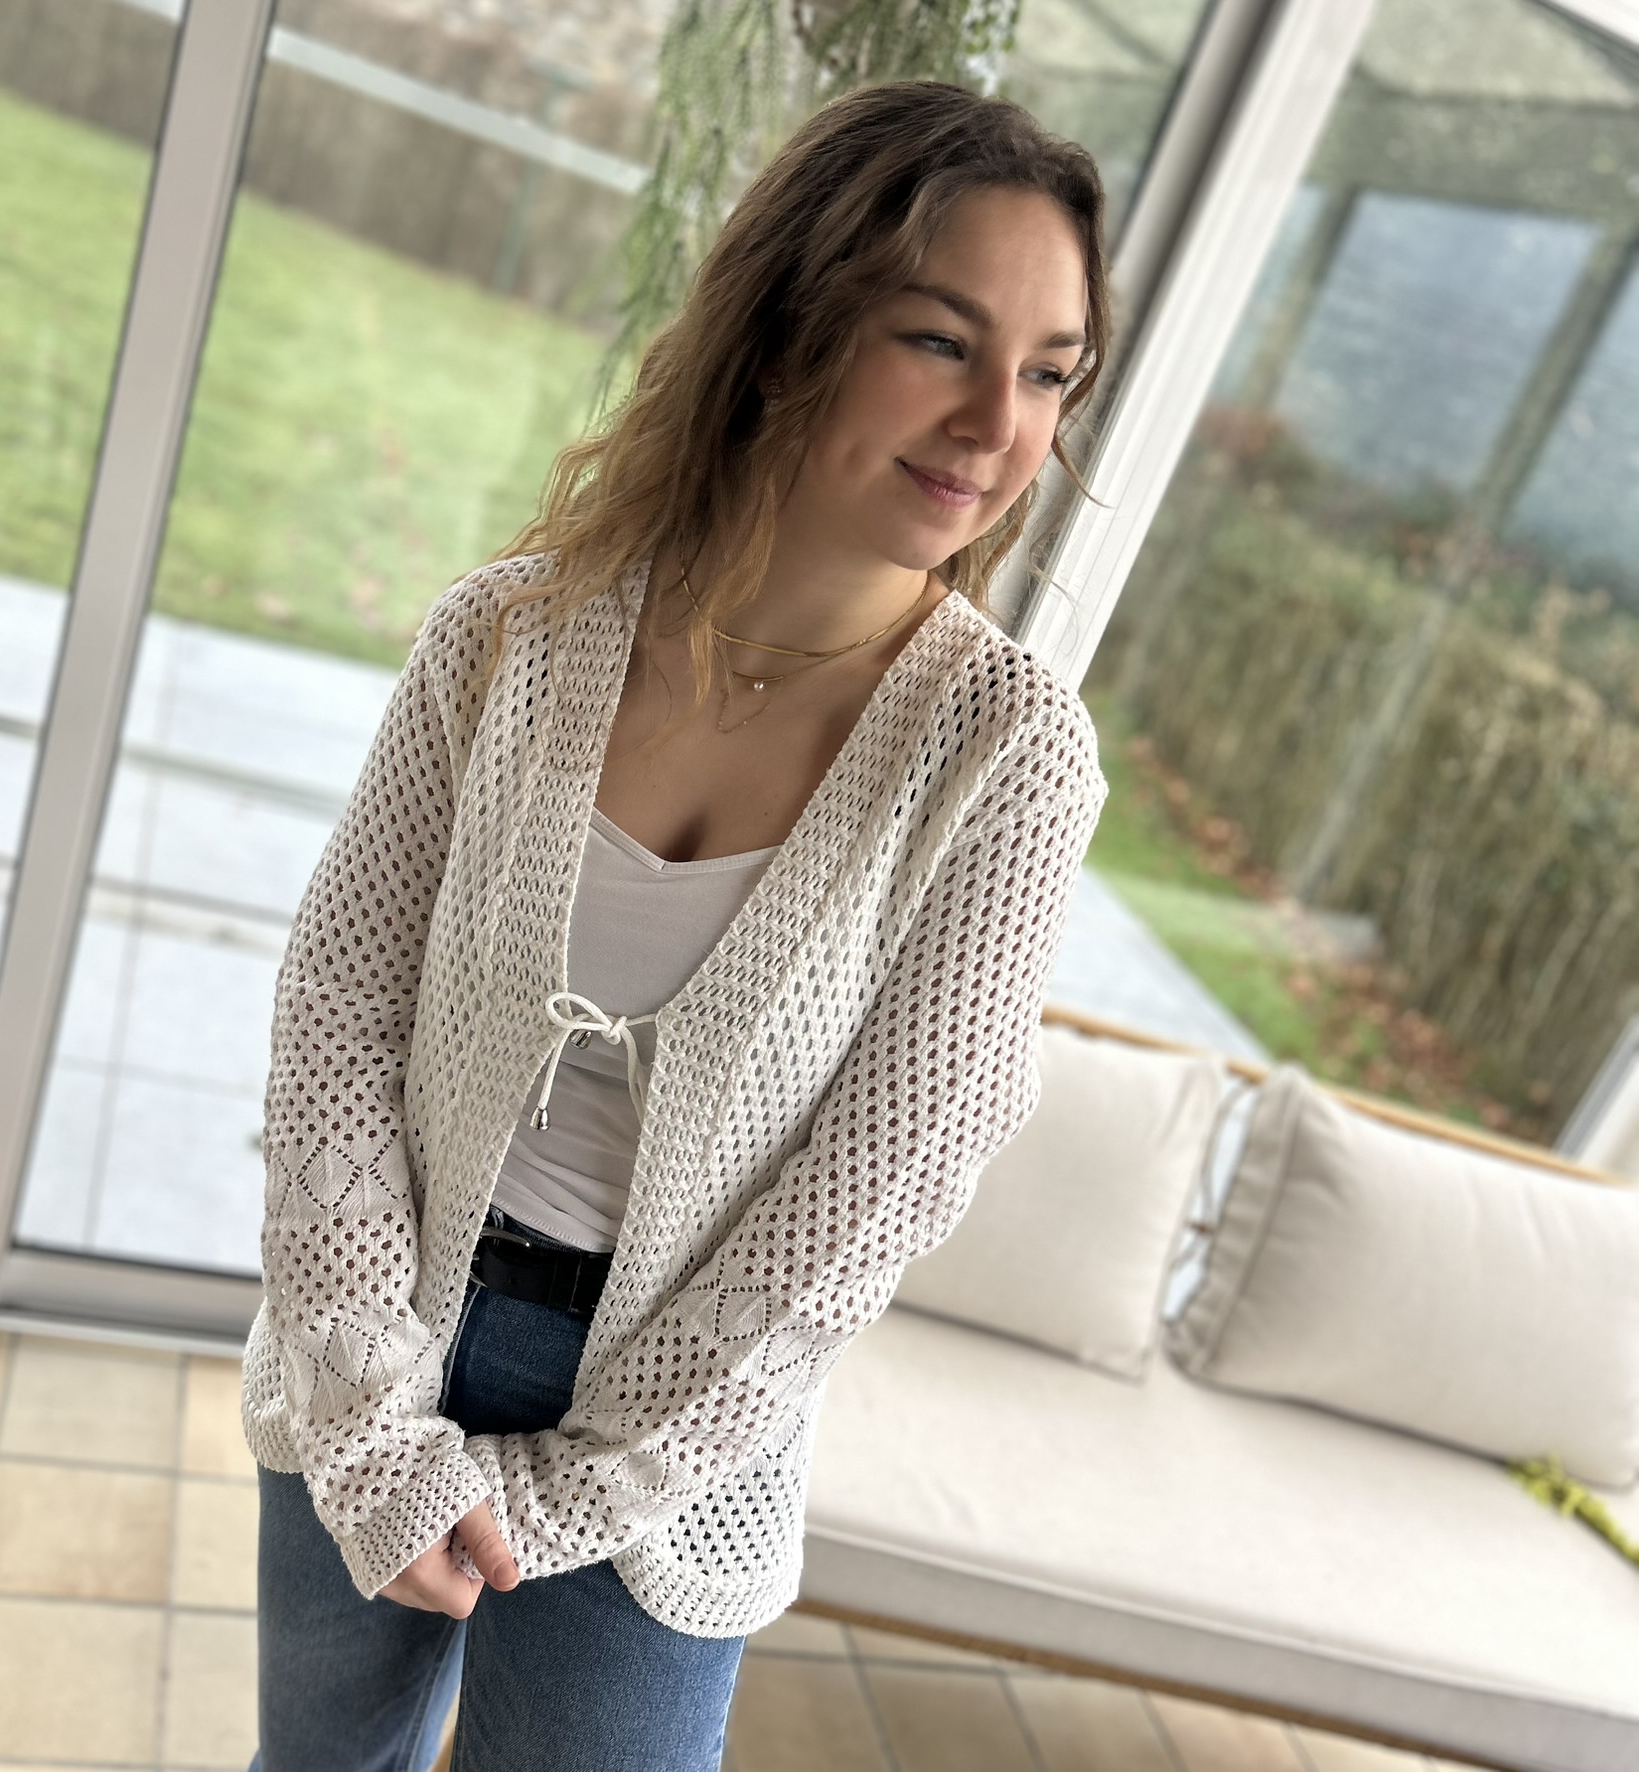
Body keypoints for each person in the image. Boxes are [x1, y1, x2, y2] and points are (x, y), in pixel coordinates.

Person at [242, 76, 1111, 1772]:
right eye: (941, 341)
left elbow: (878, 1192)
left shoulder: (1008, 759)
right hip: (376, 1336)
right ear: (789, 331)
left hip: (678, 1450)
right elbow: (338, 1008)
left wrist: (582, 1489)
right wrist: (368, 1414)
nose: (998, 423)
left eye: (1051, 372)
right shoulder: (508, 636)